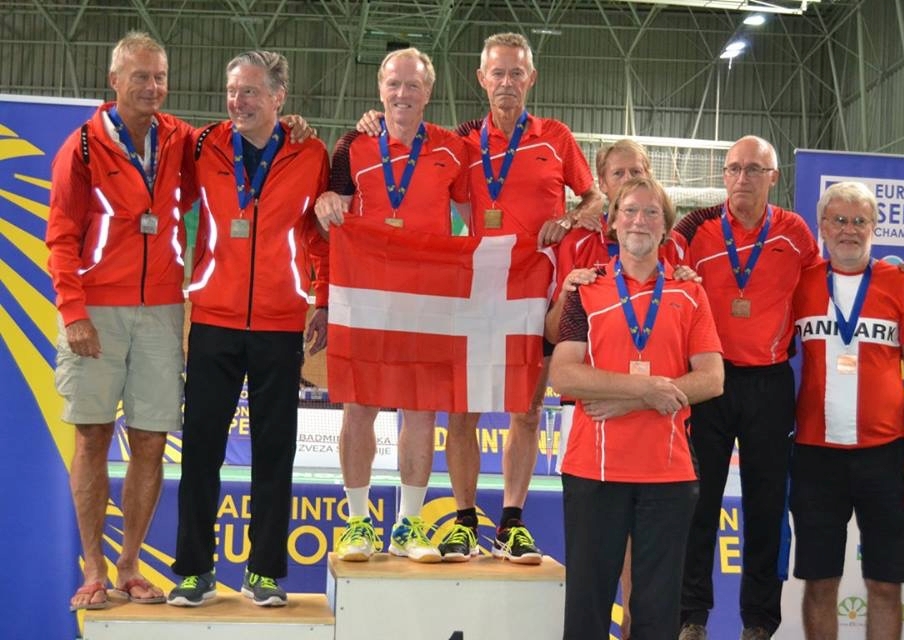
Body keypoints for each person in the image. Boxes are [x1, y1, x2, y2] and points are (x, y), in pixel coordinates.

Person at [674, 136, 904, 640]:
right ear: (724, 175)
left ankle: (759, 622)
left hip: (769, 384)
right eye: (734, 168)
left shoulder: (794, 232)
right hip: (709, 381)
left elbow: (840, 273)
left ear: (774, 177)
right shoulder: (694, 227)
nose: (743, 178)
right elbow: (649, 258)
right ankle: (691, 617)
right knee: (698, 505)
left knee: (766, 509)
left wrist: (901, 272)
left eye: (755, 169)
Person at [168, 50, 330, 607]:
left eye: (251, 91)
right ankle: (194, 570)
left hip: (280, 323)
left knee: (274, 451)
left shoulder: (311, 153)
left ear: (278, 98)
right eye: (233, 90)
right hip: (213, 319)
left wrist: (323, 298)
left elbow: (318, 235)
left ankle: (263, 572)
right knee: (200, 450)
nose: (238, 101)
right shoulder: (203, 146)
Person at [439, 32, 602, 565]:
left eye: (516, 73)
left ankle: (511, 522)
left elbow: (596, 197)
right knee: (462, 411)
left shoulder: (555, 136)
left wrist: (571, 219)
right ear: (481, 79)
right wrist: (369, 125)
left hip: (536, 292)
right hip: (477, 291)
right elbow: (412, 166)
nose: (506, 82)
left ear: (531, 78)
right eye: (497, 73)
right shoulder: (461, 141)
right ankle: (464, 522)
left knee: (527, 411)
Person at [47, 31, 196, 612]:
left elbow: (238, 144)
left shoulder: (179, 139)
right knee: (92, 436)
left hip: (162, 309)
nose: (152, 87)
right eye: (140, 76)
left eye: (159, 77)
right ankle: (93, 568)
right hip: (96, 312)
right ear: (114, 81)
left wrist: (295, 128)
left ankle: (130, 565)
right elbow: (61, 236)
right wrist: (73, 312)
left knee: (152, 440)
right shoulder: (82, 148)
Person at [313, 48, 469, 563]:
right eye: (394, 84)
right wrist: (326, 205)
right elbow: (329, 214)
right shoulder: (351, 145)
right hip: (366, 296)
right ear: (380, 88)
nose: (403, 94)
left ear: (430, 91)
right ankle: (358, 523)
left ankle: (408, 525)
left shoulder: (453, 149)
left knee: (421, 412)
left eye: (413, 85)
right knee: (359, 408)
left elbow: (479, 215)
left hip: (428, 299)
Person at [550, 176, 724, 640]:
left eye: (651, 213)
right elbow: (563, 375)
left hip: (668, 474)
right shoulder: (586, 289)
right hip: (594, 470)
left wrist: (626, 400)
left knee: (656, 615)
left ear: (666, 227)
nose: (639, 221)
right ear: (612, 222)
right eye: (629, 210)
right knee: (586, 610)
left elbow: (712, 379)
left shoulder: (691, 292)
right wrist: (645, 391)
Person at [791, 181, 904, 640]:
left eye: (859, 221)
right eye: (839, 220)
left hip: (885, 455)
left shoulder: (901, 283)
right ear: (822, 226)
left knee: (885, 585)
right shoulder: (800, 282)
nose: (849, 230)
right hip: (816, 455)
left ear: (874, 227)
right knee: (820, 583)